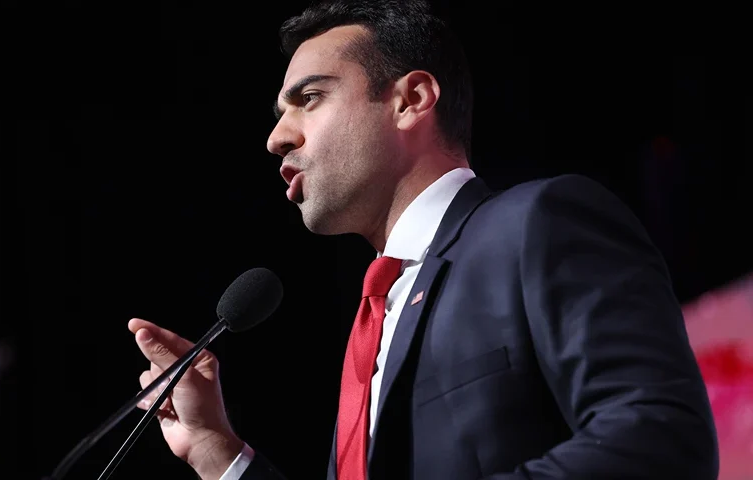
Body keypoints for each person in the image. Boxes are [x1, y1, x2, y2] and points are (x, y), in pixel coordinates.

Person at [129, 0, 719, 478]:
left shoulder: (539, 222)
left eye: (308, 99)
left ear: (411, 100)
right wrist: (218, 451)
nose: (276, 138)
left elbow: (660, 440)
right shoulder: (375, 321)